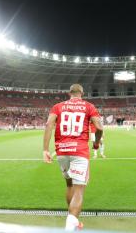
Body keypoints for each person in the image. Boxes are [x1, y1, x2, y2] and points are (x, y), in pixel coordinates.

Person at [43, 84, 103, 231]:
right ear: (82, 93)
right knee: (79, 190)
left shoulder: (57, 107)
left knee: (69, 185)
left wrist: (45, 149)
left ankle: (72, 218)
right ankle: (71, 224)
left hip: (62, 152)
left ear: (69, 93)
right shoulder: (89, 106)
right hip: (79, 152)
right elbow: (99, 128)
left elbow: (49, 124)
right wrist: (95, 144)